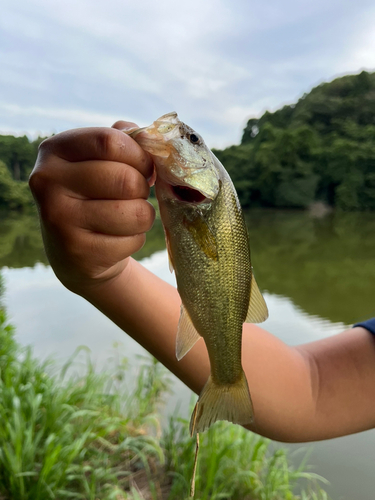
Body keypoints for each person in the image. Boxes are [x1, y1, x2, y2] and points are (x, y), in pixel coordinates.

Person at [29, 121, 375, 443]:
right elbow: (312, 386)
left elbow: (313, 392)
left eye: (192, 140)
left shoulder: (201, 200)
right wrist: (106, 275)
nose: (182, 138)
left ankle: (227, 380)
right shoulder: (191, 198)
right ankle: (228, 377)